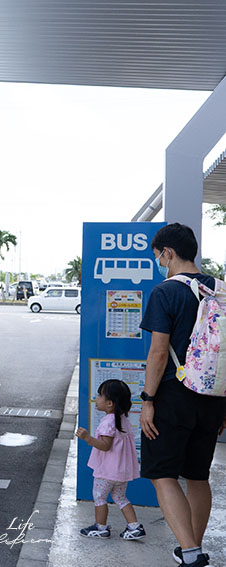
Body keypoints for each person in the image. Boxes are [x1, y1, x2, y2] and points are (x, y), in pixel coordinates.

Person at [139, 223, 226, 567]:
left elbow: (159, 353)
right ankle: (193, 545)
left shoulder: (166, 292)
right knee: (197, 475)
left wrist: (147, 400)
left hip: (174, 397)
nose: (159, 262)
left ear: (168, 253)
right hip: (214, 397)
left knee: (163, 474)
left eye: (158, 256)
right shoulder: (220, 289)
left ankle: (190, 552)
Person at [76, 379, 145, 540]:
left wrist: (87, 438)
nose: (97, 398)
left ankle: (101, 527)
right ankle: (134, 526)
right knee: (120, 498)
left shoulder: (108, 421)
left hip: (107, 471)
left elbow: (105, 445)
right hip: (121, 471)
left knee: (99, 497)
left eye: (100, 395)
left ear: (110, 404)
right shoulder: (124, 420)